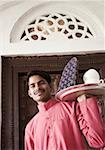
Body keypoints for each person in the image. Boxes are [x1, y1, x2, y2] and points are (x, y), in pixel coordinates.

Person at [25, 70, 105, 150]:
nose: (37, 88)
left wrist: (88, 101)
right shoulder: (30, 127)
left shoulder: (71, 108)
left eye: (41, 83)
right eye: (32, 86)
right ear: (30, 93)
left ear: (51, 86)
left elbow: (98, 140)